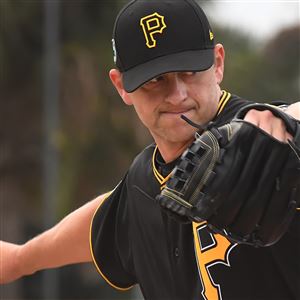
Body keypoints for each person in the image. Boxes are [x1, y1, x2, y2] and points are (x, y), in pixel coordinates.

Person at [1, 0, 299, 299]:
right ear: (122, 87)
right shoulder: (141, 184)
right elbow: (104, 219)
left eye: (190, 71)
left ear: (218, 63)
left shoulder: (267, 141)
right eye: (156, 79)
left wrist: (287, 120)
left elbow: (288, 120)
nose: (177, 94)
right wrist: (20, 259)